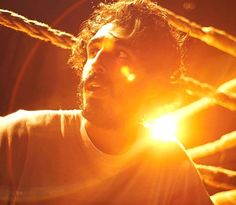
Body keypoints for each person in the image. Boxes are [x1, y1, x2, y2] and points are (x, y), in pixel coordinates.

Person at [0, 0, 213, 204]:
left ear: (154, 83)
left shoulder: (170, 165)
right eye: (93, 50)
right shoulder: (20, 136)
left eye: (121, 54)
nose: (97, 62)